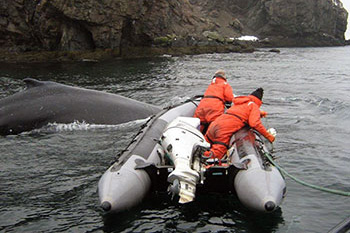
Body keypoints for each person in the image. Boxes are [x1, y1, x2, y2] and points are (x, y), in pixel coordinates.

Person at [203, 87, 275, 160]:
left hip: (214, 124)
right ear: (259, 102)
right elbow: (254, 123)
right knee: (217, 153)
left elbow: (241, 112)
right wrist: (268, 136)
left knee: (203, 145)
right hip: (224, 129)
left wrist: (259, 113)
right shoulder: (253, 106)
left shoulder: (239, 103)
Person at [194, 70, 233, 134]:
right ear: (224, 77)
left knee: (200, 124)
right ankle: (210, 140)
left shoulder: (211, 85)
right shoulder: (225, 84)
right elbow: (229, 98)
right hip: (215, 106)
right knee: (215, 125)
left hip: (203, 105)